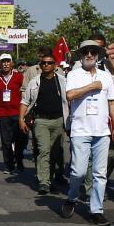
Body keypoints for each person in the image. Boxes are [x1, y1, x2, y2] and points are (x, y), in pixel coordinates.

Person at [62, 41, 114, 225]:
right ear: (81, 55)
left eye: (93, 52)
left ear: (98, 55)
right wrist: (91, 87)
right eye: (86, 52)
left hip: (102, 130)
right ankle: (71, 198)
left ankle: (97, 210)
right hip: (80, 130)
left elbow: (112, 102)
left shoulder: (106, 76)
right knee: (78, 171)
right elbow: (70, 95)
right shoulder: (74, 74)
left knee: (100, 173)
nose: (89, 55)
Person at [19, 54, 68, 194]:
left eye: (49, 63)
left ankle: (50, 178)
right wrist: (21, 119)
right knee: (44, 150)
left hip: (58, 120)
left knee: (55, 151)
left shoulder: (62, 81)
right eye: (44, 63)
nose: (46, 65)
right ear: (40, 65)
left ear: (55, 65)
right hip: (41, 121)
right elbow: (25, 102)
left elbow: (69, 100)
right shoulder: (34, 82)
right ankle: (44, 182)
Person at [0, 53, 28, 174]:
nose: (5, 63)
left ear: (11, 63)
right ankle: (9, 165)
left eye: (8, 61)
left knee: (20, 140)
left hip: (17, 113)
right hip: (3, 114)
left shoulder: (19, 77)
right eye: (3, 61)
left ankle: (19, 161)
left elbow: (25, 94)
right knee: (6, 141)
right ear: (0, 64)